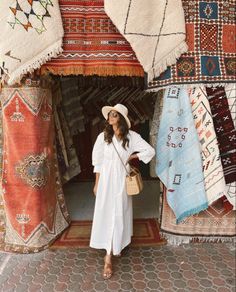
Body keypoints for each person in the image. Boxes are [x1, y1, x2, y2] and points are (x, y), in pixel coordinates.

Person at [90, 104, 155, 279]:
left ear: (121, 119)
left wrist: (133, 156)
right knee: (107, 212)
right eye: (109, 115)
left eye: (114, 115)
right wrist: (97, 184)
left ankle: (114, 247)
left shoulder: (132, 137)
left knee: (119, 213)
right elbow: (98, 162)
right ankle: (108, 255)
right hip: (106, 180)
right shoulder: (103, 137)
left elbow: (150, 151)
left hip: (122, 179)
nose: (110, 118)